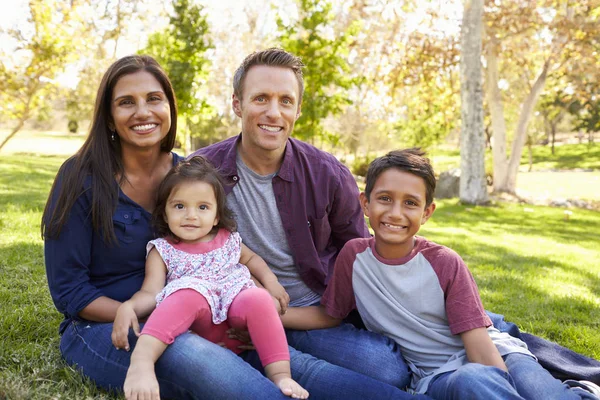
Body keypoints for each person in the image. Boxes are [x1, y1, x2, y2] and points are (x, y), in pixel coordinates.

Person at [42, 54, 429, 400]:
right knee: (216, 366)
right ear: (109, 115)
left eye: (154, 99)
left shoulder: (187, 175)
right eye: (127, 102)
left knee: (297, 367)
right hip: (110, 323)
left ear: (170, 108)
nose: (143, 111)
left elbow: (237, 254)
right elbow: (70, 292)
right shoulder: (82, 178)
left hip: (209, 312)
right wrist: (147, 312)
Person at [191, 47, 413, 389]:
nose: (274, 112)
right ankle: (270, 356)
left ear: (298, 108)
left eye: (285, 100)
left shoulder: (327, 173)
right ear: (237, 104)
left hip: (311, 314)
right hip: (235, 314)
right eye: (261, 98)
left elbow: (357, 256)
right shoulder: (202, 171)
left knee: (387, 370)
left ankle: (271, 353)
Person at [314, 148, 599, 400]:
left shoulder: (444, 262)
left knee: (542, 394)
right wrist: (273, 311)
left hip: (495, 353)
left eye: (411, 203)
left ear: (427, 212)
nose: (396, 213)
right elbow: (330, 315)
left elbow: (480, 348)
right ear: (365, 203)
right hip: (438, 375)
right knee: (472, 380)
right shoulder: (354, 256)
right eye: (385, 198)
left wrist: (501, 387)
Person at [114, 156, 308, 399]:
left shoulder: (227, 239)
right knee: (188, 294)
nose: (191, 216)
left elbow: (252, 260)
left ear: (217, 216)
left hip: (237, 317)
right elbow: (151, 292)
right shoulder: (162, 250)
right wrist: (130, 306)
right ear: (164, 213)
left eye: (202, 207)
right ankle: (142, 361)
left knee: (258, 298)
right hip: (202, 327)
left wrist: (271, 283)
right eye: (179, 206)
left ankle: (281, 376)